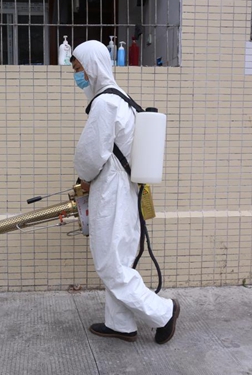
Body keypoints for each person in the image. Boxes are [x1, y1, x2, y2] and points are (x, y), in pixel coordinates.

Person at [71, 40, 180, 344]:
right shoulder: (122, 99)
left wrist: (84, 179)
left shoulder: (105, 103)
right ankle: (120, 324)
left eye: (78, 68)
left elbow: (92, 154)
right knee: (119, 259)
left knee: (111, 264)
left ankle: (163, 312)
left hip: (112, 191)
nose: (77, 76)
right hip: (125, 190)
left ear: (92, 67)